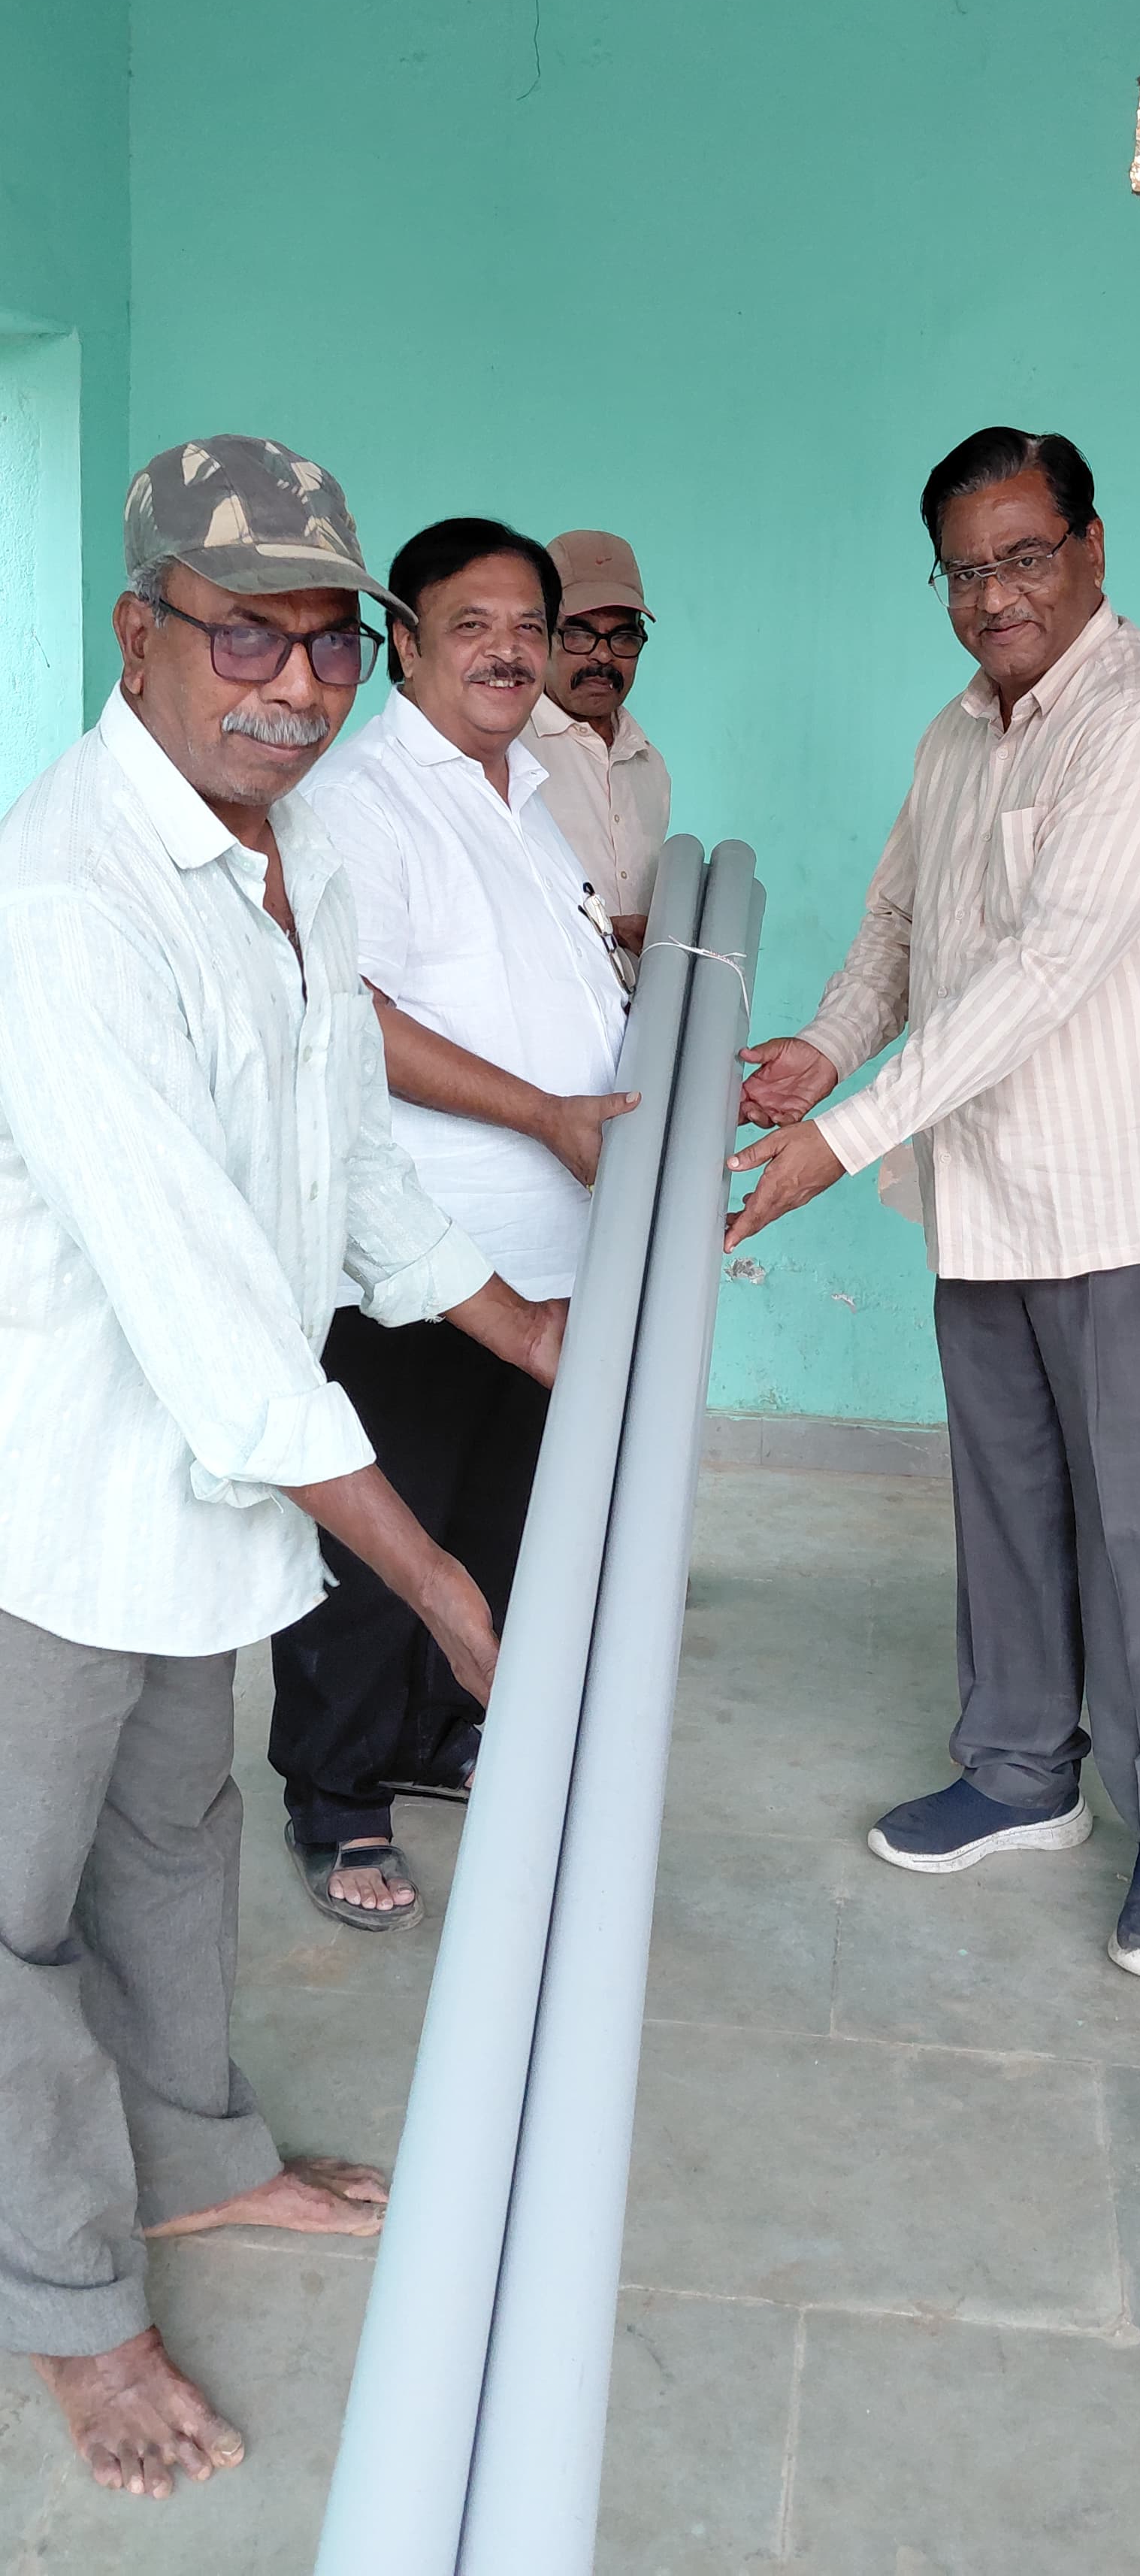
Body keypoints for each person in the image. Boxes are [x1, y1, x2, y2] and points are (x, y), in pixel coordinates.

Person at [0, 435, 565, 2498]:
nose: (298, 685)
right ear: (138, 631)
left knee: (171, 1837)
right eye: (247, 635)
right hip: (48, 1500)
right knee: (10, 1926)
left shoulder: (293, 846)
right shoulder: (66, 903)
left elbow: (344, 1166)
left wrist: (526, 1326)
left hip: (195, 1497)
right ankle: (71, 2302)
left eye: (332, 643)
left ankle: (196, 2162)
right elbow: (215, 1316)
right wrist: (435, 1581)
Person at [728, 427, 1140, 1987]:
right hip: (994, 1185)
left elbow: (1048, 966)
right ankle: (1022, 1772)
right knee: (1010, 1497)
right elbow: (902, 923)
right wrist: (824, 1048)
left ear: (1091, 549)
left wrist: (841, 1137)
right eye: (965, 570)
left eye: (1025, 557)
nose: (995, 596)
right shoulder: (957, 735)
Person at [271, 516, 637, 1922]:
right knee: (384, 1538)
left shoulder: (526, 788)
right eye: (471, 626)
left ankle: (430, 1734)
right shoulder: (366, 797)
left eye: (528, 627)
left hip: (545, 1250)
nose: (508, 652)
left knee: (492, 1519)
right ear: (406, 646)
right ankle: (336, 1793)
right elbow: (351, 1017)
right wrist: (542, 1113)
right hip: (413, 1254)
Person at [529, 528, 671, 957]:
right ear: (540, 635)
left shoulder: (648, 764)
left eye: (623, 637)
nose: (603, 656)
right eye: (579, 634)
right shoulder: (505, 754)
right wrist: (604, 931)